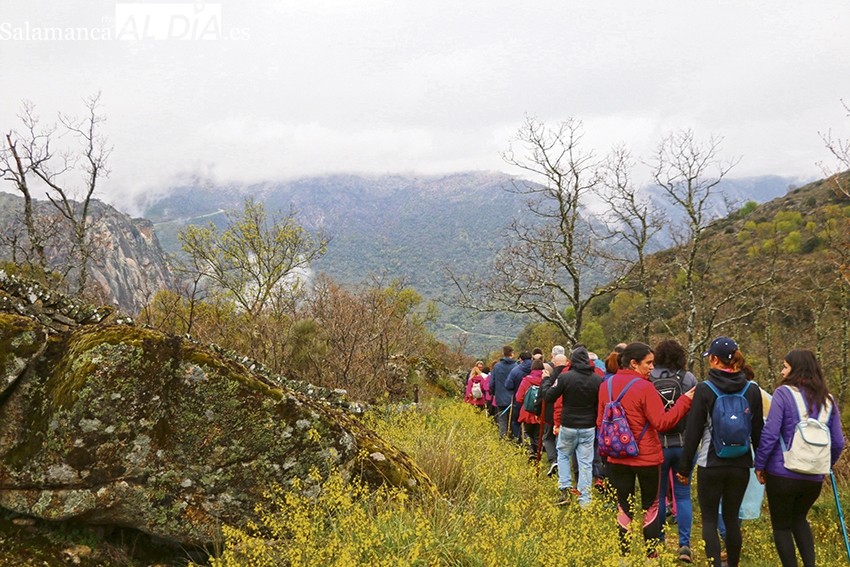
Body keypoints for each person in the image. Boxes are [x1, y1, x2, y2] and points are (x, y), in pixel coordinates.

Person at [598, 342, 694, 555]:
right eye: (648, 363)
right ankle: (651, 555)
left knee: (624, 508)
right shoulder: (645, 387)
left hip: (616, 457)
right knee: (650, 507)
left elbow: (600, 421)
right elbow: (662, 423)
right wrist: (684, 401)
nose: (652, 367)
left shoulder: (607, 385)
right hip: (646, 457)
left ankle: (624, 556)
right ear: (634, 363)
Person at [754, 349, 845, 567]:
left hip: (782, 473)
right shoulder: (828, 401)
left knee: (782, 526)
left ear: (796, 369)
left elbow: (770, 432)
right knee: (800, 520)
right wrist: (828, 463)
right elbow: (839, 441)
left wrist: (760, 464)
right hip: (813, 476)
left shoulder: (783, 393)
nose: (782, 371)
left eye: (785, 366)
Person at [678, 337, 763, 567]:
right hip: (741, 464)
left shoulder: (705, 389)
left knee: (708, 519)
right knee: (732, 518)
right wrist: (762, 466)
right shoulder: (752, 389)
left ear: (715, 360)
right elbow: (758, 433)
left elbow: (693, 432)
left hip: (711, 463)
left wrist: (684, 468)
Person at [648, 339, 698, 562]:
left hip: (657, 445)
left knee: (658, 496)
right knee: (683, 495)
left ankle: (657, 540)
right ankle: (684, 545)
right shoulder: (688, 379)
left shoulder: (648, 378)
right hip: (684, 445)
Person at [544, 345, 602, 506]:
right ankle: (585, 500)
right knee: (585, 462)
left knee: (563, 455)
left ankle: (565, 489)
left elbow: (549, 396)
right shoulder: (597, 379)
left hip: (568, 424)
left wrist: (545, 381)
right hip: (588, 426)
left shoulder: (565, 377)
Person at [537, 353, 568, 475]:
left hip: (549, 414)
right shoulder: (569, 375)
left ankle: (553, 460)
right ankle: (563, 463)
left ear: (554, 363)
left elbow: (542, 395)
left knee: (547, 437)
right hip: (566, 415)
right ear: (566, 363)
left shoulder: (550, 376)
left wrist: (537, 411)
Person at [516, 358, 545, 458]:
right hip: (541, 412)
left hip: (527, 412)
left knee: (527, 432)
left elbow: (519, 398)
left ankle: (530, 450)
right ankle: (538, 453)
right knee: (538, 434)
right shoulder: (546, 379)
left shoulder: (526, 380)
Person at [506, 351, 533, 442]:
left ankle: (519, 442)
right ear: (531, 358)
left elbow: (508, 385)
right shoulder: (537, 370)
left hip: (519, 399)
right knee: (532, 422)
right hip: (535, 401)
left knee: (516, 422)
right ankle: (533, 444)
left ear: (520, 359)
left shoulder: (515, 370)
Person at [489, 346, 516, 438]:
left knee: (502, 420)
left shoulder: (497, 367)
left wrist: (493, 393)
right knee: (513, 420)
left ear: (503, 354)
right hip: (513, 398)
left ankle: (503, 439)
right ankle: (513, 439)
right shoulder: (516, 366)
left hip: (500, 397)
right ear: (512, 354)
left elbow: (492, 383)